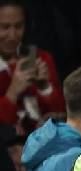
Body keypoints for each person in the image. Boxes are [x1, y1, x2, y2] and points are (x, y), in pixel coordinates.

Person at [0, 0, 65, 133]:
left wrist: (45, 88)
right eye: (4, 27)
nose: (12, 36)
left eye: (18, 26)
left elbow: (62, 114)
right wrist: (12, 93)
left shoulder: (41, 58)